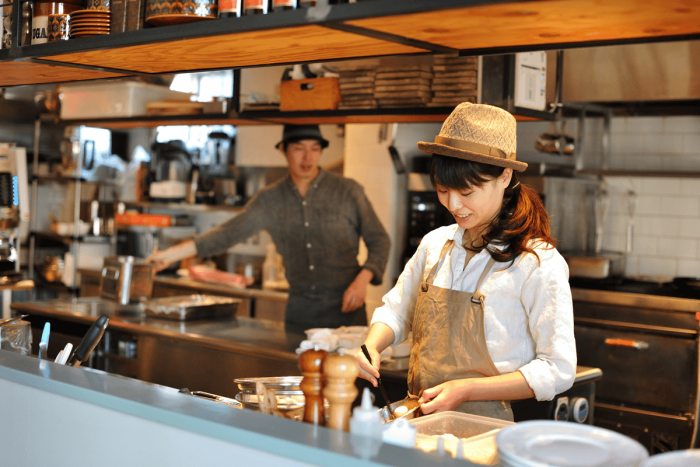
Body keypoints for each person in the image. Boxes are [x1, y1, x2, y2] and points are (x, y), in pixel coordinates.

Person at [355, 103, 576, 421]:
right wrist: (373, 344)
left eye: (467, 192)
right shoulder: (435, 245)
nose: (453, 204)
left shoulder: (536, 262)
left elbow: (558, 369)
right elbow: (397, 311)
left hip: (488, 430)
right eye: (443, 191)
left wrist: (468, 390)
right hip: (423, 421)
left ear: (505, 176)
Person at [149, 124, 391, 334]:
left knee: (352, 387)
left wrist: (362, 280)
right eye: (299, 149)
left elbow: (380, 240)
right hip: (300, 316)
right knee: (300, 386)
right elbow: (225, 234)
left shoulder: (348, 191)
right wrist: (169, 256)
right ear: (283, 150)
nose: (308, 158)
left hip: (348, 312)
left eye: (315, 149)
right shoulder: (270, 199)